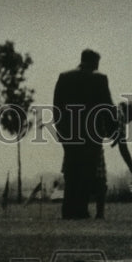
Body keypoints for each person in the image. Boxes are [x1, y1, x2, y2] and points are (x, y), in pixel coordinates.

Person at [53, 49, 117, 219]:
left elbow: (57, 108)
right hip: (91, 136)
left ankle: (69, 210)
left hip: (70, 135)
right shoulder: (99, 79)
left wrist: (61, 132)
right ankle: (81, 210)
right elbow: (108, 107)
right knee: (86, 173)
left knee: (72, 173)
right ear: (94, 62)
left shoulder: (64, 77)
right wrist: (113, 131)